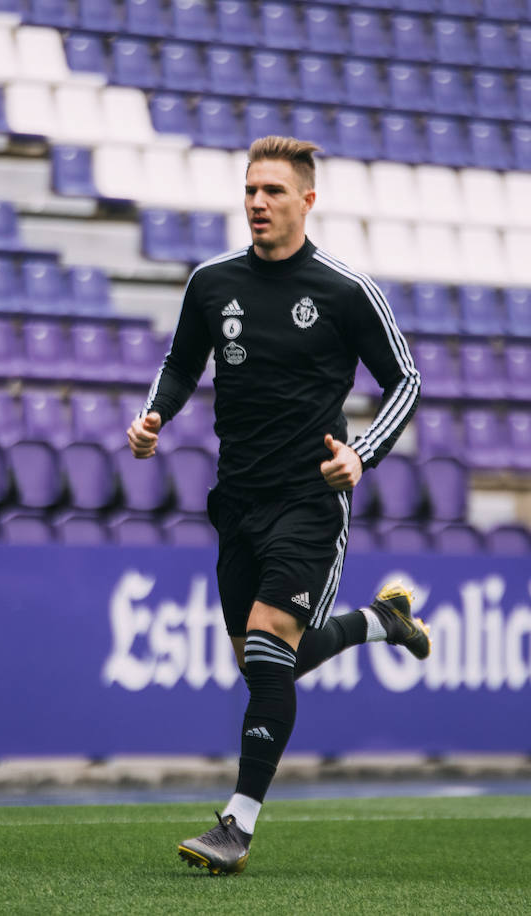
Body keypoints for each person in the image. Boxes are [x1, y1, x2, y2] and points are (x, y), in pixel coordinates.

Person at [125, 136, 429, 875]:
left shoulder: (344, 289)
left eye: (274, 192)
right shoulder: (211, 283)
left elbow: (407, 381)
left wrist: (361, 454)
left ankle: (237, 825)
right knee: (268, 662)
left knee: (267, 648)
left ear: (307, 201)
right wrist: (154, 415)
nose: (258, 202)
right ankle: (378, 622)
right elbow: (180, 362)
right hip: (239, 502)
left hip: (310, 499)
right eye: (251, 190)